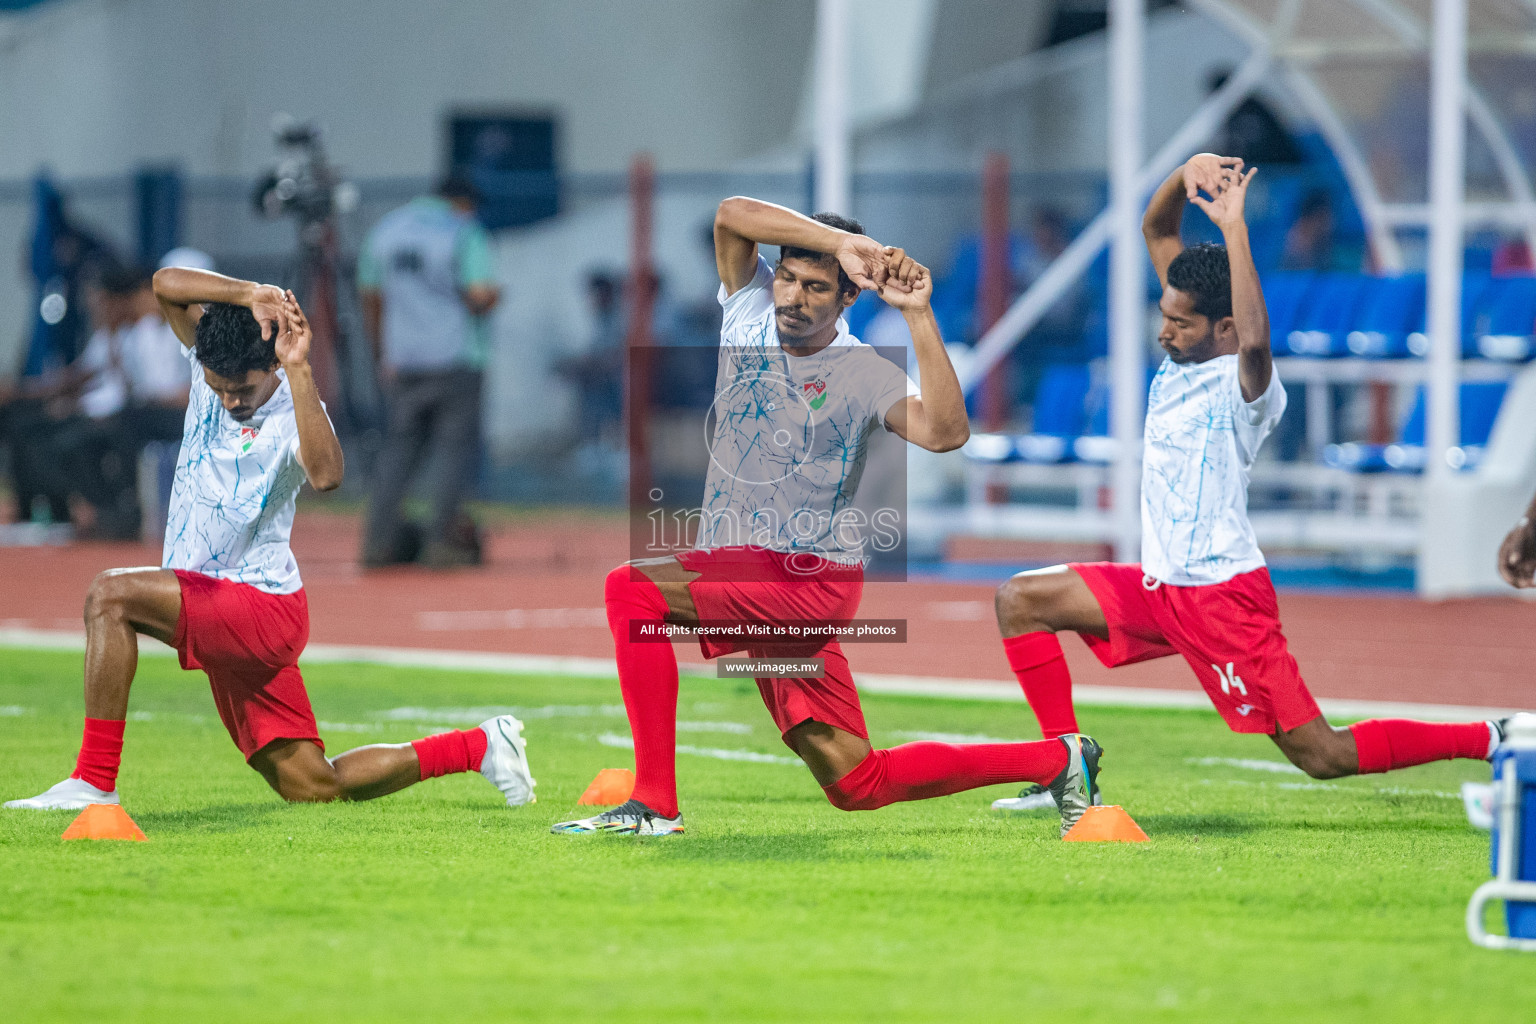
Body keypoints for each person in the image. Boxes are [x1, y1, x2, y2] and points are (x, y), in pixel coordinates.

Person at [552, 197, 1102, 838]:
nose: (794, 296)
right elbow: (731, 215)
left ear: (847, 300)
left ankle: (652, 806)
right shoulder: (749, 306)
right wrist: (836, 245)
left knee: (631, 590)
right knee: (856, 781)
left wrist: (919, 316)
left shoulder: (863, 371)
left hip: (802, 583)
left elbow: (947, 432)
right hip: (749, 574)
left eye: (817, 288)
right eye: (788, 277)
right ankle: (1059, 759)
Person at [992, 154, 1507, 795]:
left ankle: (1493, 738)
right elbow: (1157, 232)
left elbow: (1258, 342)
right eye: (1164, 315)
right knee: (1021, 601)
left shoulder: (1248, 389)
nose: (1164, 331)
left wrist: (1235, 228)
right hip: (1160, 588)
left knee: (1322, 754)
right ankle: (1066, 774)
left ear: (1224, 329)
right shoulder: (1184, 349)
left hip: (1222, 599)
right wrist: (1182, 177)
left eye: (1178, 323)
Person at [5, 268, 534, 812]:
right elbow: (165, 284)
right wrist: (252, 294)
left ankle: (93, 782)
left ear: (275, 363)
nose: (231, 400)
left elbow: (328, 477)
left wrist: (300, 368)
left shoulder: (294, 413)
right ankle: (481, 745)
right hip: (217, 605)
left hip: (258, 606)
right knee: (314, 786)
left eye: (243, 389)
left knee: (109, 595)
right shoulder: (210, 361)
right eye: (219, 387)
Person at [358, 175, 501, 568]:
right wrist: (494, 296)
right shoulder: (463, 231)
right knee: (452, 452)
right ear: (463, 202)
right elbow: (479, 293)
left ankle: (378, 542)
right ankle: (441, 544)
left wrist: (382, 351)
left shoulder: (386, 232)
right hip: (455, 359)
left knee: (400, 451)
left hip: (404, 361)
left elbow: (370, 296)